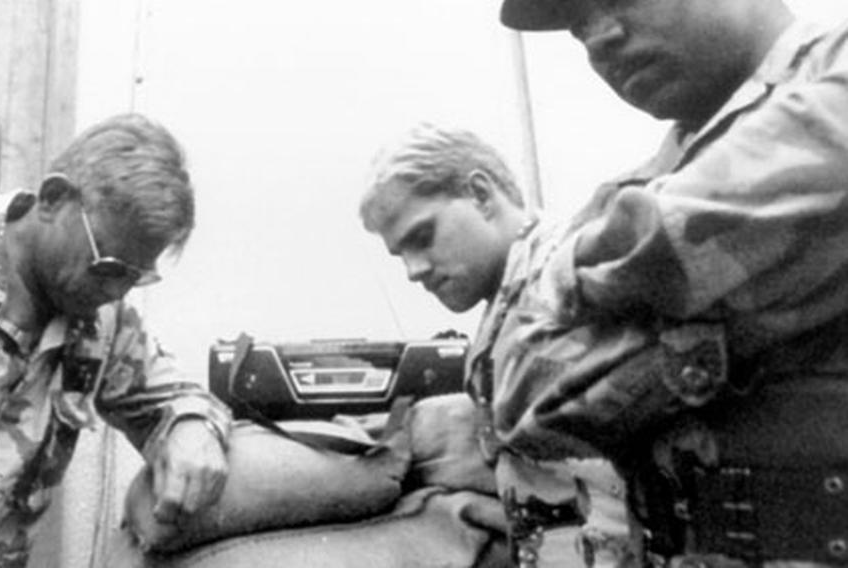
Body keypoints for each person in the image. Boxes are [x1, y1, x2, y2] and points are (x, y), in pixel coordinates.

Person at [493, 0, 848, 566]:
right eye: (579, 26)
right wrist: (755, 316)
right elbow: (519, 390)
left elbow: (665, 237)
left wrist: (579, 279)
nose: (598, 37)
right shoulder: (635, 184)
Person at [0, 113, 231, 567]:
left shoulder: (101, 322)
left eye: (136, 277)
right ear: (54, 199)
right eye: (109, 267)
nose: (115, 292)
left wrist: (194, 427)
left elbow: (178, 397)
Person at [360, 123, 634, 567]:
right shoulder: (509, 305)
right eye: (400, 254)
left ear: (481, 194)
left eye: (422, 236)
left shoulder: (570, 277)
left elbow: (615, 485)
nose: (413, 270)